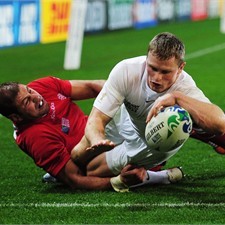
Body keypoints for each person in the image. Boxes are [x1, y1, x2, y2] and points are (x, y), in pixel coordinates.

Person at [71, 32, 225, 191]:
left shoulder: (185, 87)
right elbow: (96, 119)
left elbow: (220, 124)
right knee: (77, 153)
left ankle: (154, 176)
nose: (156, 78)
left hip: (150, 143)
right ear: (146, 60)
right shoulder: (127, 70)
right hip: (127, 117)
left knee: (92, 170)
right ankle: (63, 173)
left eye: (165, 72)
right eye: (152, 68)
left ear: (180, 68)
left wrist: (176, 97)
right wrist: (97, 140)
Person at [0, 76, 182, 192]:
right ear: (16, 117)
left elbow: (93, 87)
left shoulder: (42, 86)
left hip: (97, 127)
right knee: (158, 142)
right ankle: (157, 176)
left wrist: (119, 93)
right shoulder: (35, 138)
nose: (36, 97)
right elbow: (76, 178)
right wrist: (117, 181)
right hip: (91, 159)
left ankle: (199, 134)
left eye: (30, 91)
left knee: (135, 99)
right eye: (27, 102)